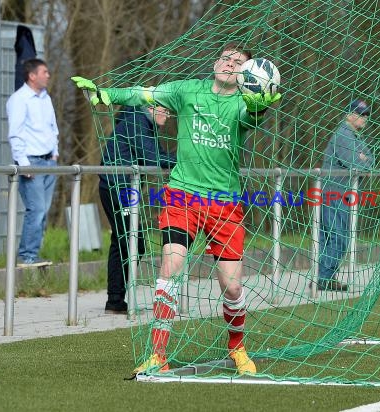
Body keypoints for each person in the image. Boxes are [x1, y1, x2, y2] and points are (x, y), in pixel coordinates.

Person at [72, 43, 281, 376]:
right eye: (225, 57)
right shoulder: (187, 91)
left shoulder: (242, 104)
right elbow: (144, 94)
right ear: (215, 62)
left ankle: (237, 346)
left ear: (246, 75)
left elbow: (252, 117)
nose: (229, 64)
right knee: (169, 270)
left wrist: (261, 104)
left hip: (224, 204)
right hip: (182, 197)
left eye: (238, 62)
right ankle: (158, 354)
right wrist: (106, 94)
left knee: (233, 287)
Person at [100, 105, 176, 314]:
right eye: (165, 110)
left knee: (123, 241)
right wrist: (187, 161)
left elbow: (157, 153)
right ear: (151, 107)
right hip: (117, 186)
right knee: (134, 242)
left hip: (123, 187)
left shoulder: (144, 124)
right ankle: (115, 299)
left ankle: (115, 301)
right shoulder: (136, 120)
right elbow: (153, 157)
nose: (168, 116)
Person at [315, 99, 373, 291]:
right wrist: (362, 159)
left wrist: (363, 159)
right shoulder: (344, 135)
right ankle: (324, 278)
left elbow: (370, 161)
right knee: (337, 237)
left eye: (366, 114)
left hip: (342, 194)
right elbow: (356, 164)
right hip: (334, 193)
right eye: (360, 113)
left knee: (334, 236)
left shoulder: (356, 137)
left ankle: (324, 277)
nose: (364, 118)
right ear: (349, 114)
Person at [7, 58, 59, 268]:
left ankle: (34, 254)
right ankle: (27, 256)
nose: (48, 75)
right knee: (35, 210)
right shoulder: (19, 100)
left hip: (49, 161)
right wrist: (23, 163)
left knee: (43, 211)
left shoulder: (46, 98)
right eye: (44, 72)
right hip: (31, 162)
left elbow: (52, 128)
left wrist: (55, 154)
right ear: (32, 75)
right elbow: (16, 134)